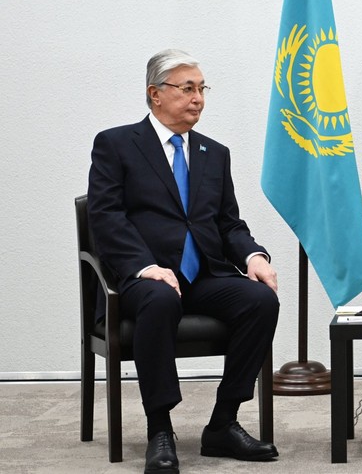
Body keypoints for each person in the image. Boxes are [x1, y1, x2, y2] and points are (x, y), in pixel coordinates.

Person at [88, 49, 281, 474]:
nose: (198, 98)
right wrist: (145, 266)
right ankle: (160, 429)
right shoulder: (117, 144)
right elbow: (106, 218)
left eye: (201, 88)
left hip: (203, 275)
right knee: (160, 299)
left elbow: (229, 222)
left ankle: (223, 423)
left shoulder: (215, 152)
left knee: (260, 300)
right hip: (142, 278)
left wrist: (253, 255)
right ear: (155, 94)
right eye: (187, 88)